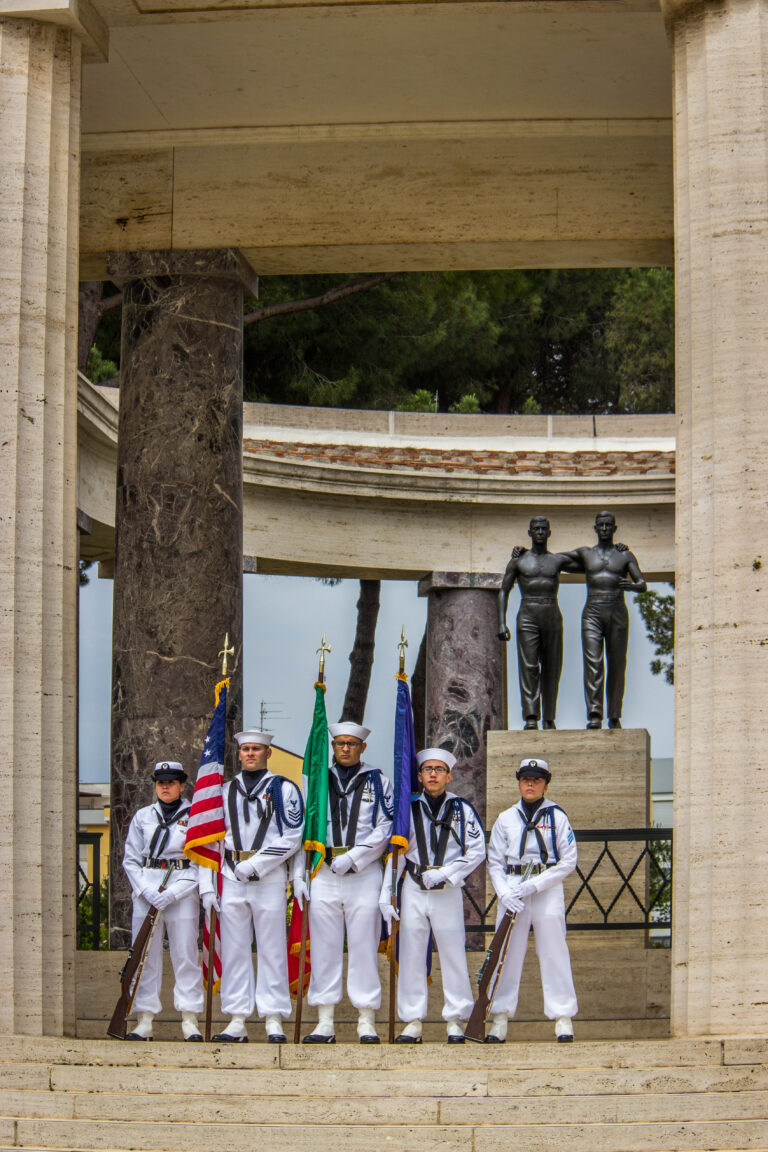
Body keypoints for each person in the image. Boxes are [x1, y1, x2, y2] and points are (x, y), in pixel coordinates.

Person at [199, 728, 304, 1043]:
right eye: (245, 750)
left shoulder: (284, 789)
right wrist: (207, 885)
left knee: (271, 948)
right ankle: (236, 1018)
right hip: (231, 877)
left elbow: (293, 836)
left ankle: (273, 1017)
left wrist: (256, 863)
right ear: (239, 753)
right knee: (233, 950)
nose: (250, 754)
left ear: (268, 753)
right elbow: (211, 839)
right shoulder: (223, 791)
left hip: (268, 877)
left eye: (257, 749)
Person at [293, 721, 393, 1044]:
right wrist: (300, 873)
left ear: (363, 748)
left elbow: (385, 827)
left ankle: (366, 1019)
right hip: (324, 871)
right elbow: (305, 828)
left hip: (362, 874)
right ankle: (324, 1020)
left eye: (352, 744)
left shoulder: (378, 781)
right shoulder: (319, 780)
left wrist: (357, 856)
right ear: (333, 746)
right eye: (340, 744)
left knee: (363, 945)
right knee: (324, 947)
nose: (345, 748)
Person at [380, 748, 485, 1044]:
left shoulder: (462, 809)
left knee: (453, 954)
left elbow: (477, 850)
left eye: (439, 769)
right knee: (411, 955)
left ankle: (456, 1018)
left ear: (449, 776)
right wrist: (385, 895)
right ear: (419, 776)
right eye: (428, 770)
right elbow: (396, 853)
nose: (433, 774)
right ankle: (412, 1021)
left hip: (447, 891)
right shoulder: (407, 809)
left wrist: (448, 872)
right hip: (413, 887)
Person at [486, 757, 578, 1042]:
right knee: (507, 954)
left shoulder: (557, 817)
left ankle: (563, 1017)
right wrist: (504, 892)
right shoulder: (505, 818)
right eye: (526, 779)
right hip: (512, 888)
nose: (530, 784)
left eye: (537, 779)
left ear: (545, 784)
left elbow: (568, 861)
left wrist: (535, 885)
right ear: (518, 782)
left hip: (546, 887)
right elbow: (494, 861)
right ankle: (499, 1018)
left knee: (553, 951)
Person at [122, 761, 204, 1041]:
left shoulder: (196, 815)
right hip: (147, 885)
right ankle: (144, 1019)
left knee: (186, 955)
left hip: (181, 887)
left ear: (182, 785)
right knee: (145, 956)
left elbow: (202, 861)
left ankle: (190, 1019)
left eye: (171, 782)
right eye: (160, 782)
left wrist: (174, 892)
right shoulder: (143, 816)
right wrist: (146, 891)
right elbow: (131, 859)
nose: (165, 787)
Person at [567, 510, 647, 729]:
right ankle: (594, 714)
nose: (604, 529)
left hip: (616, 610)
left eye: (608, 525)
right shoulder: (586, 554)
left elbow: (642, 583)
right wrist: (524, 552)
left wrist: (630, 585)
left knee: (617, 664)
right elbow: (554, 561)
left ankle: (614, 715)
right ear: (595, 528)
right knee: (593, 664)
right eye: (600, 525)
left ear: (614, 529)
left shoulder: (624, 556)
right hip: (592, 611)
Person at [497, 516, 575, 730]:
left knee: (552, 667)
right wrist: (501, 623)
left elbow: (591, 563)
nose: (540, 532)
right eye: (536, 529)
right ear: (530, 532)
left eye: (544, 529)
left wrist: (617, 550)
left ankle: (549, 718)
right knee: (529, 667)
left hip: (551, 612)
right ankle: (531, 716)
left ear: (549, 533)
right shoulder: (518, 561)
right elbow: (504, 590)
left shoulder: (558, 560)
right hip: (528, 613)